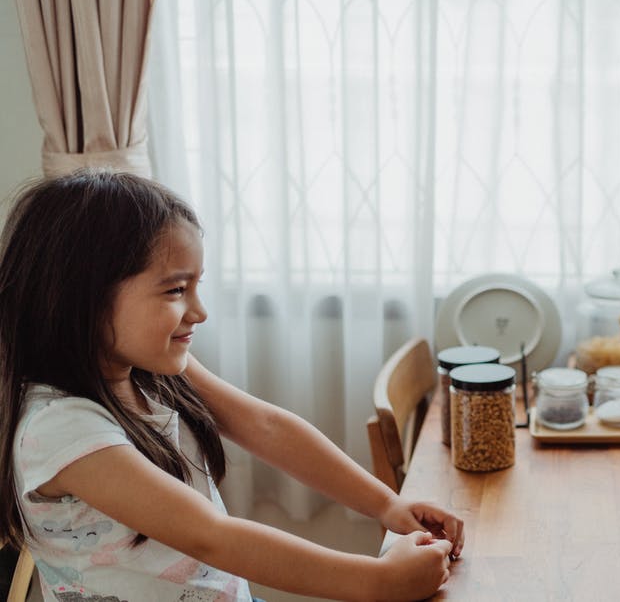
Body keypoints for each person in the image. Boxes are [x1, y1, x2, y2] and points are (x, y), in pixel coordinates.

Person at [0, 171, 464, 601]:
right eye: (175, 290)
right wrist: (378, 581)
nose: (199, 311)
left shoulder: (155, 371)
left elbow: (266, 426)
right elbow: (211, 536)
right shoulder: (60, 428)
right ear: (85, 297)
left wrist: (386, 504)